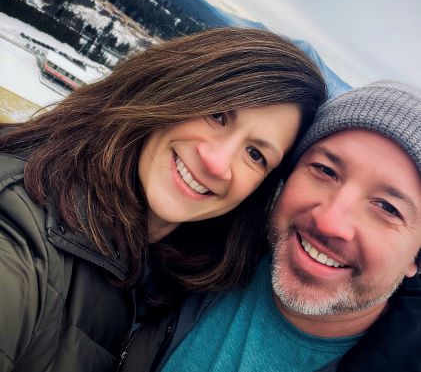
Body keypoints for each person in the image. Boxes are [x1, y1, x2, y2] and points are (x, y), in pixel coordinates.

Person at [0, 27, 327, 372]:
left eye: (255, 154)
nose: (216, 163)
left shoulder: (176, 280)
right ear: (174, 85)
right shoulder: (22, 233)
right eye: (217, 115)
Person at [122, 80, 421, 372]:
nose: (330, 222)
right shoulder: (187, 251)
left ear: (416, 258)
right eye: (325, 171)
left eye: (387, 208)